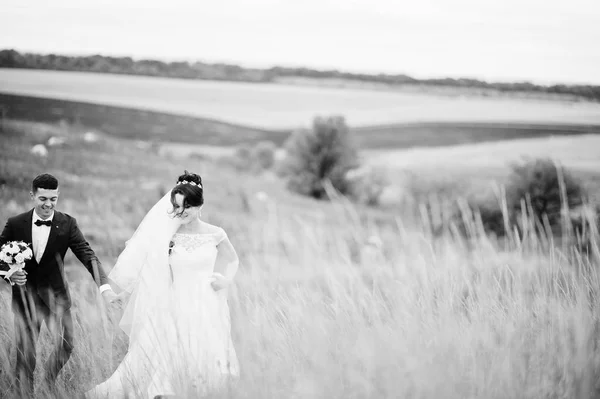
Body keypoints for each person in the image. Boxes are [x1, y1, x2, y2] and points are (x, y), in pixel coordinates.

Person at [86, 171, 240, 398]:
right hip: (176, 304)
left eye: (186, 206)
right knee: (170, 356)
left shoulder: (216, 234)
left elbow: (233, 259)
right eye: (177, 207)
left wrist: (226, 279)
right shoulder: (168, 236)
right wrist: (125, 293)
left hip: (207, 303)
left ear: (199, 205)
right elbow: (148, 270)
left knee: (205, 356)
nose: (181, 212)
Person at [0, 173, 118, 398]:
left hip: (57, 298)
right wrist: (9, 274)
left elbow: (88, 255)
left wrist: (105, 288)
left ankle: (48, 382)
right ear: (32, 195)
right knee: (25, 355)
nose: (48, 204)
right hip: (25, 299)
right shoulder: (15, 224)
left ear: (58, 196)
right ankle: (24, 394)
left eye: (53, 199)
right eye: (43, 198)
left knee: (67, 345)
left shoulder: (67, 223)